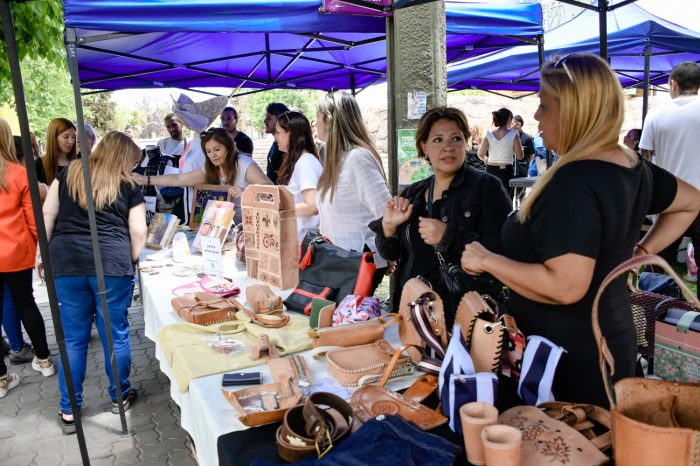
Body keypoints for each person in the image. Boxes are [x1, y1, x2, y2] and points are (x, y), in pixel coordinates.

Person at [460, 54, 700, 408]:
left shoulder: (576, 181)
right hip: (607, 338)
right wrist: (638, 253)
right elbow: (691, 202)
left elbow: (566, 286)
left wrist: (488, 260)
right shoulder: (628, 164)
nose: (538, 116)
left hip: (566, 357)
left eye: (545, 104)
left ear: (574, 110)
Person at [42, 131, 147, 434]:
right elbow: (138, 232)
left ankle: (69, 409)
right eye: (133, 161)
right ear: (124, 158)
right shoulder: (127, 185)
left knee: (73, 338)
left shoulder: (68, 173)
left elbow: (48, 214)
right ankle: (119, 396)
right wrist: (131, 259)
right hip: (112, 265)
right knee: (115, 334)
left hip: (67, 262)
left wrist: (43, 256)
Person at [369, 107, 511, 325]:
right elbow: (392, 253)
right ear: (424, 147)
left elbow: (505, 250)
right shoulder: (413, 194)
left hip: (463, 318)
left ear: (466, 142)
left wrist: (449, 237)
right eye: (438, 139)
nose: (448, 147)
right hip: (413, 315)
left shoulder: (487, 188)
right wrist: (388, 227)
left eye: (456, 138)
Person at [0, 118, 55, 399]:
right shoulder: (18, 173)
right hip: (15, 251)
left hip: (11, 250)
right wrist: (40, 251)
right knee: (26, 303)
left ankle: (0, 378)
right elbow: (33, 219)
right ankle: (44, 360)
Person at [316, 91, 391, 291]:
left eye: (317, 117)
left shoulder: (357, 159)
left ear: (328, 119)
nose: (314, 123)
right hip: (339, 260)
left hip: (358, 262)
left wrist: (388, 253)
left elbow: (385, 211)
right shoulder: (336, 160)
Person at [639, 61, 700, 287]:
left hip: (670, 199)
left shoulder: (655, 114)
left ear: (673, 84)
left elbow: (645, 158)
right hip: (696, 197)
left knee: (657, 263)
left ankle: (657, 313)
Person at [131, 127, 271, 224]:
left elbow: (271, 189)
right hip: (224, 228)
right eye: (208, 151)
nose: (212, 155)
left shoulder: (243, 163)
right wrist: (145, 179)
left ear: (228, 147)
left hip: (251, 224)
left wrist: (246, 192)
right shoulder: (211, 168)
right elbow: (179, 179)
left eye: (217, 149)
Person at [274, 111, 322, 240]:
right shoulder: (300, 161)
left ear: (291, 134)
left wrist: (279, 209)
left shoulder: (305, 162)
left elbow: (312, 206)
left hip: (305, 242)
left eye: (278, 132)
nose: (275, 137)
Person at [478, 108, 524, 196]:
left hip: (490, 170)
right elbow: (520, 157)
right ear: (508, 119)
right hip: (505, 171)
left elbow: (480, 154)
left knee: (490, 199)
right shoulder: (514, 134)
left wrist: (485, 158)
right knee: (505, 201)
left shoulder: (489, 134)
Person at [157, 113, 188, 221]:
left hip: (183, 191)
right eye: (168, 127)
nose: (171, 129)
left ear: (181, 124)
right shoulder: (162, 144)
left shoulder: (188, 144)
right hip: (166, 193)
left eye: (174, 125)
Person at [37, 118, 77, 185]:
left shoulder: (78, 161)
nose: (71, 141)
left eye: (73, 137)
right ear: (54, 137)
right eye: (66, 137)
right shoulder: (40, 164)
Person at [264, 102, 290, 183]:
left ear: (280, 119)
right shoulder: (276, 145)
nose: (264, 121)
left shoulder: (285, 148)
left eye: (269, 118)